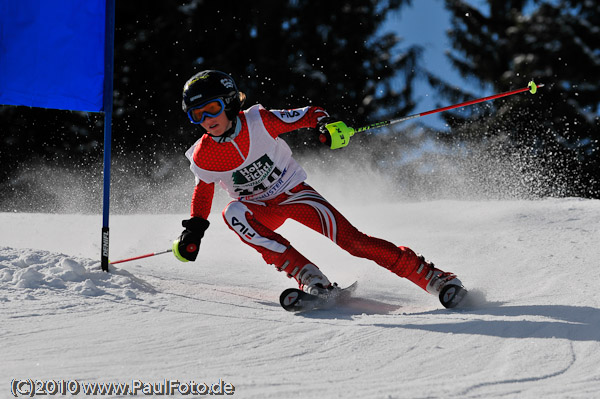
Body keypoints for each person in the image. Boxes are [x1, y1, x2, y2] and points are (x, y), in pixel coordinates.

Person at [172, 70, 466, 308]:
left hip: (295, 195)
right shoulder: (204, 154)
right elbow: (204, 190)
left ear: (230, 103)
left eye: (211, 109)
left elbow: (310, 113)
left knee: (354, 243)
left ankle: (434, 278)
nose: (207, 120)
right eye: (196, 115)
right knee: (232, 212)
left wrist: (326, 125)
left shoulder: (259, 121)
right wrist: (194, 229)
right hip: (260, 209)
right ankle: (311, 279)